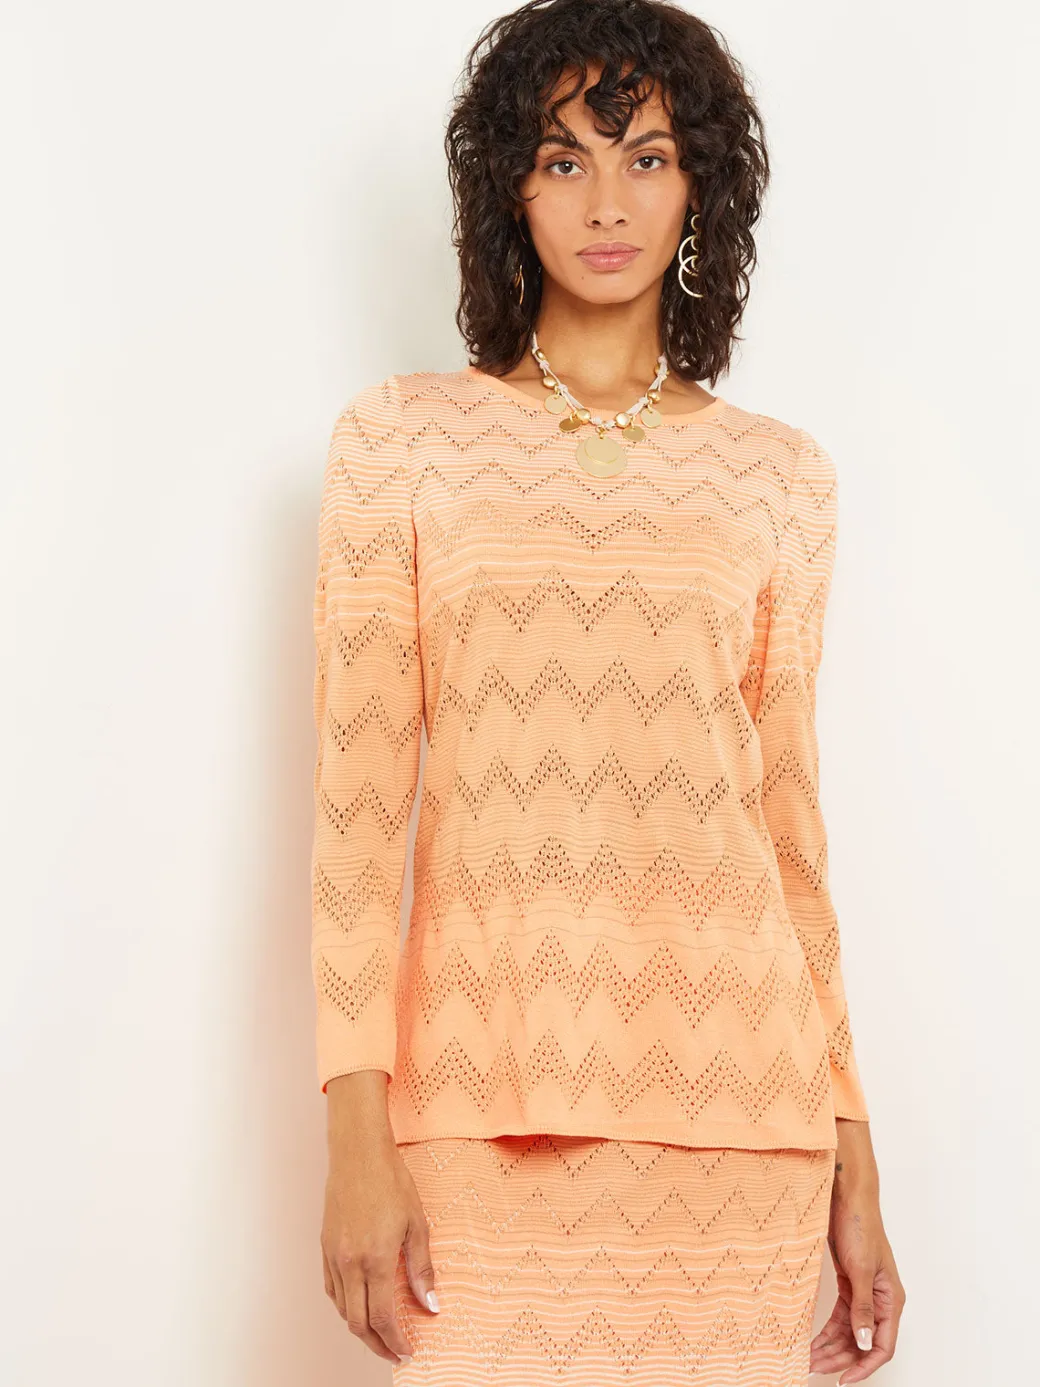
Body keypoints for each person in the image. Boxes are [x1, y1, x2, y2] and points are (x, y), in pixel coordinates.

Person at [309, 2, 905, 1382]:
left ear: (700, 187)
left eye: (646, 158)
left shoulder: (781, 478)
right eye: (562, 159)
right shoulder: (403, 443)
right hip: (478, 1116)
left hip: (750, 1126)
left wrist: (857, 1155)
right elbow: (355, 817)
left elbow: (790, 836)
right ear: (507, 191)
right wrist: (354, 1134)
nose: (605, 202)